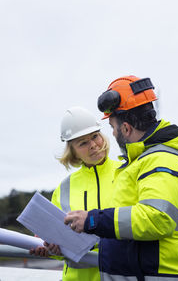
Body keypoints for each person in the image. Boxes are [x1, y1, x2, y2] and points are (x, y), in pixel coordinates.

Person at [64, 76, 178, 280]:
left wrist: (93, 219)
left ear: (126, 128)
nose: (113, 133)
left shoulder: (162, 159)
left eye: (112, 127)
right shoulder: (146, 160)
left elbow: (156, 218)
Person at [30, 106, 120, 281]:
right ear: (73, 151)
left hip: (118, 276)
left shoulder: (126, 173)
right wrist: (48, 248)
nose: (93, 145)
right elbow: (56, 243)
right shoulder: (64, 188)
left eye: (95, 136)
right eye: (83, 143)